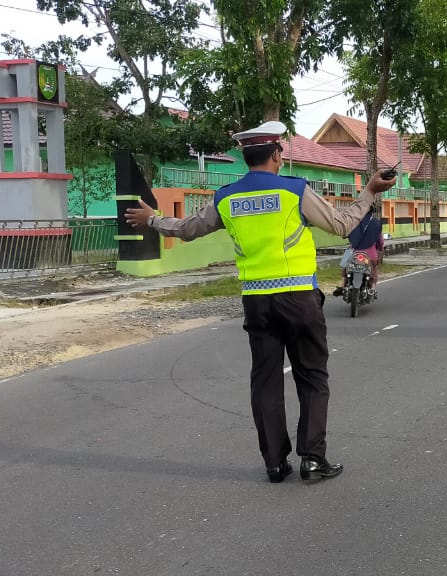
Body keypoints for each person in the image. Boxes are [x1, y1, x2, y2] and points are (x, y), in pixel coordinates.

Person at [124, 120, 396, 484]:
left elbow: (188, 229)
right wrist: (371, 191)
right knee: (312, 376)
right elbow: (342, 225)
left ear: (246, 156)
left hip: (256, 302)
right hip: (298, 297)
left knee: (265, 380)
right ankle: (313, 458)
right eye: (281, 152)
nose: (282, 157)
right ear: (275, 155)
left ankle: (274, 462)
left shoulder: (227, 198)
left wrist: (153, 219)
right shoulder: (294, 192)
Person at [333, 203, 384, 295]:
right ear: (371, 211)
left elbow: (346, 234)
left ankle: (342, 284)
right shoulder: (376, 224)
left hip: (354, 253)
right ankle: (372, 288)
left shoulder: (354, 222)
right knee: (374, 269)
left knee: (346, 266)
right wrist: (380, 249)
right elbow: (380, 241)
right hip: (370, 255)